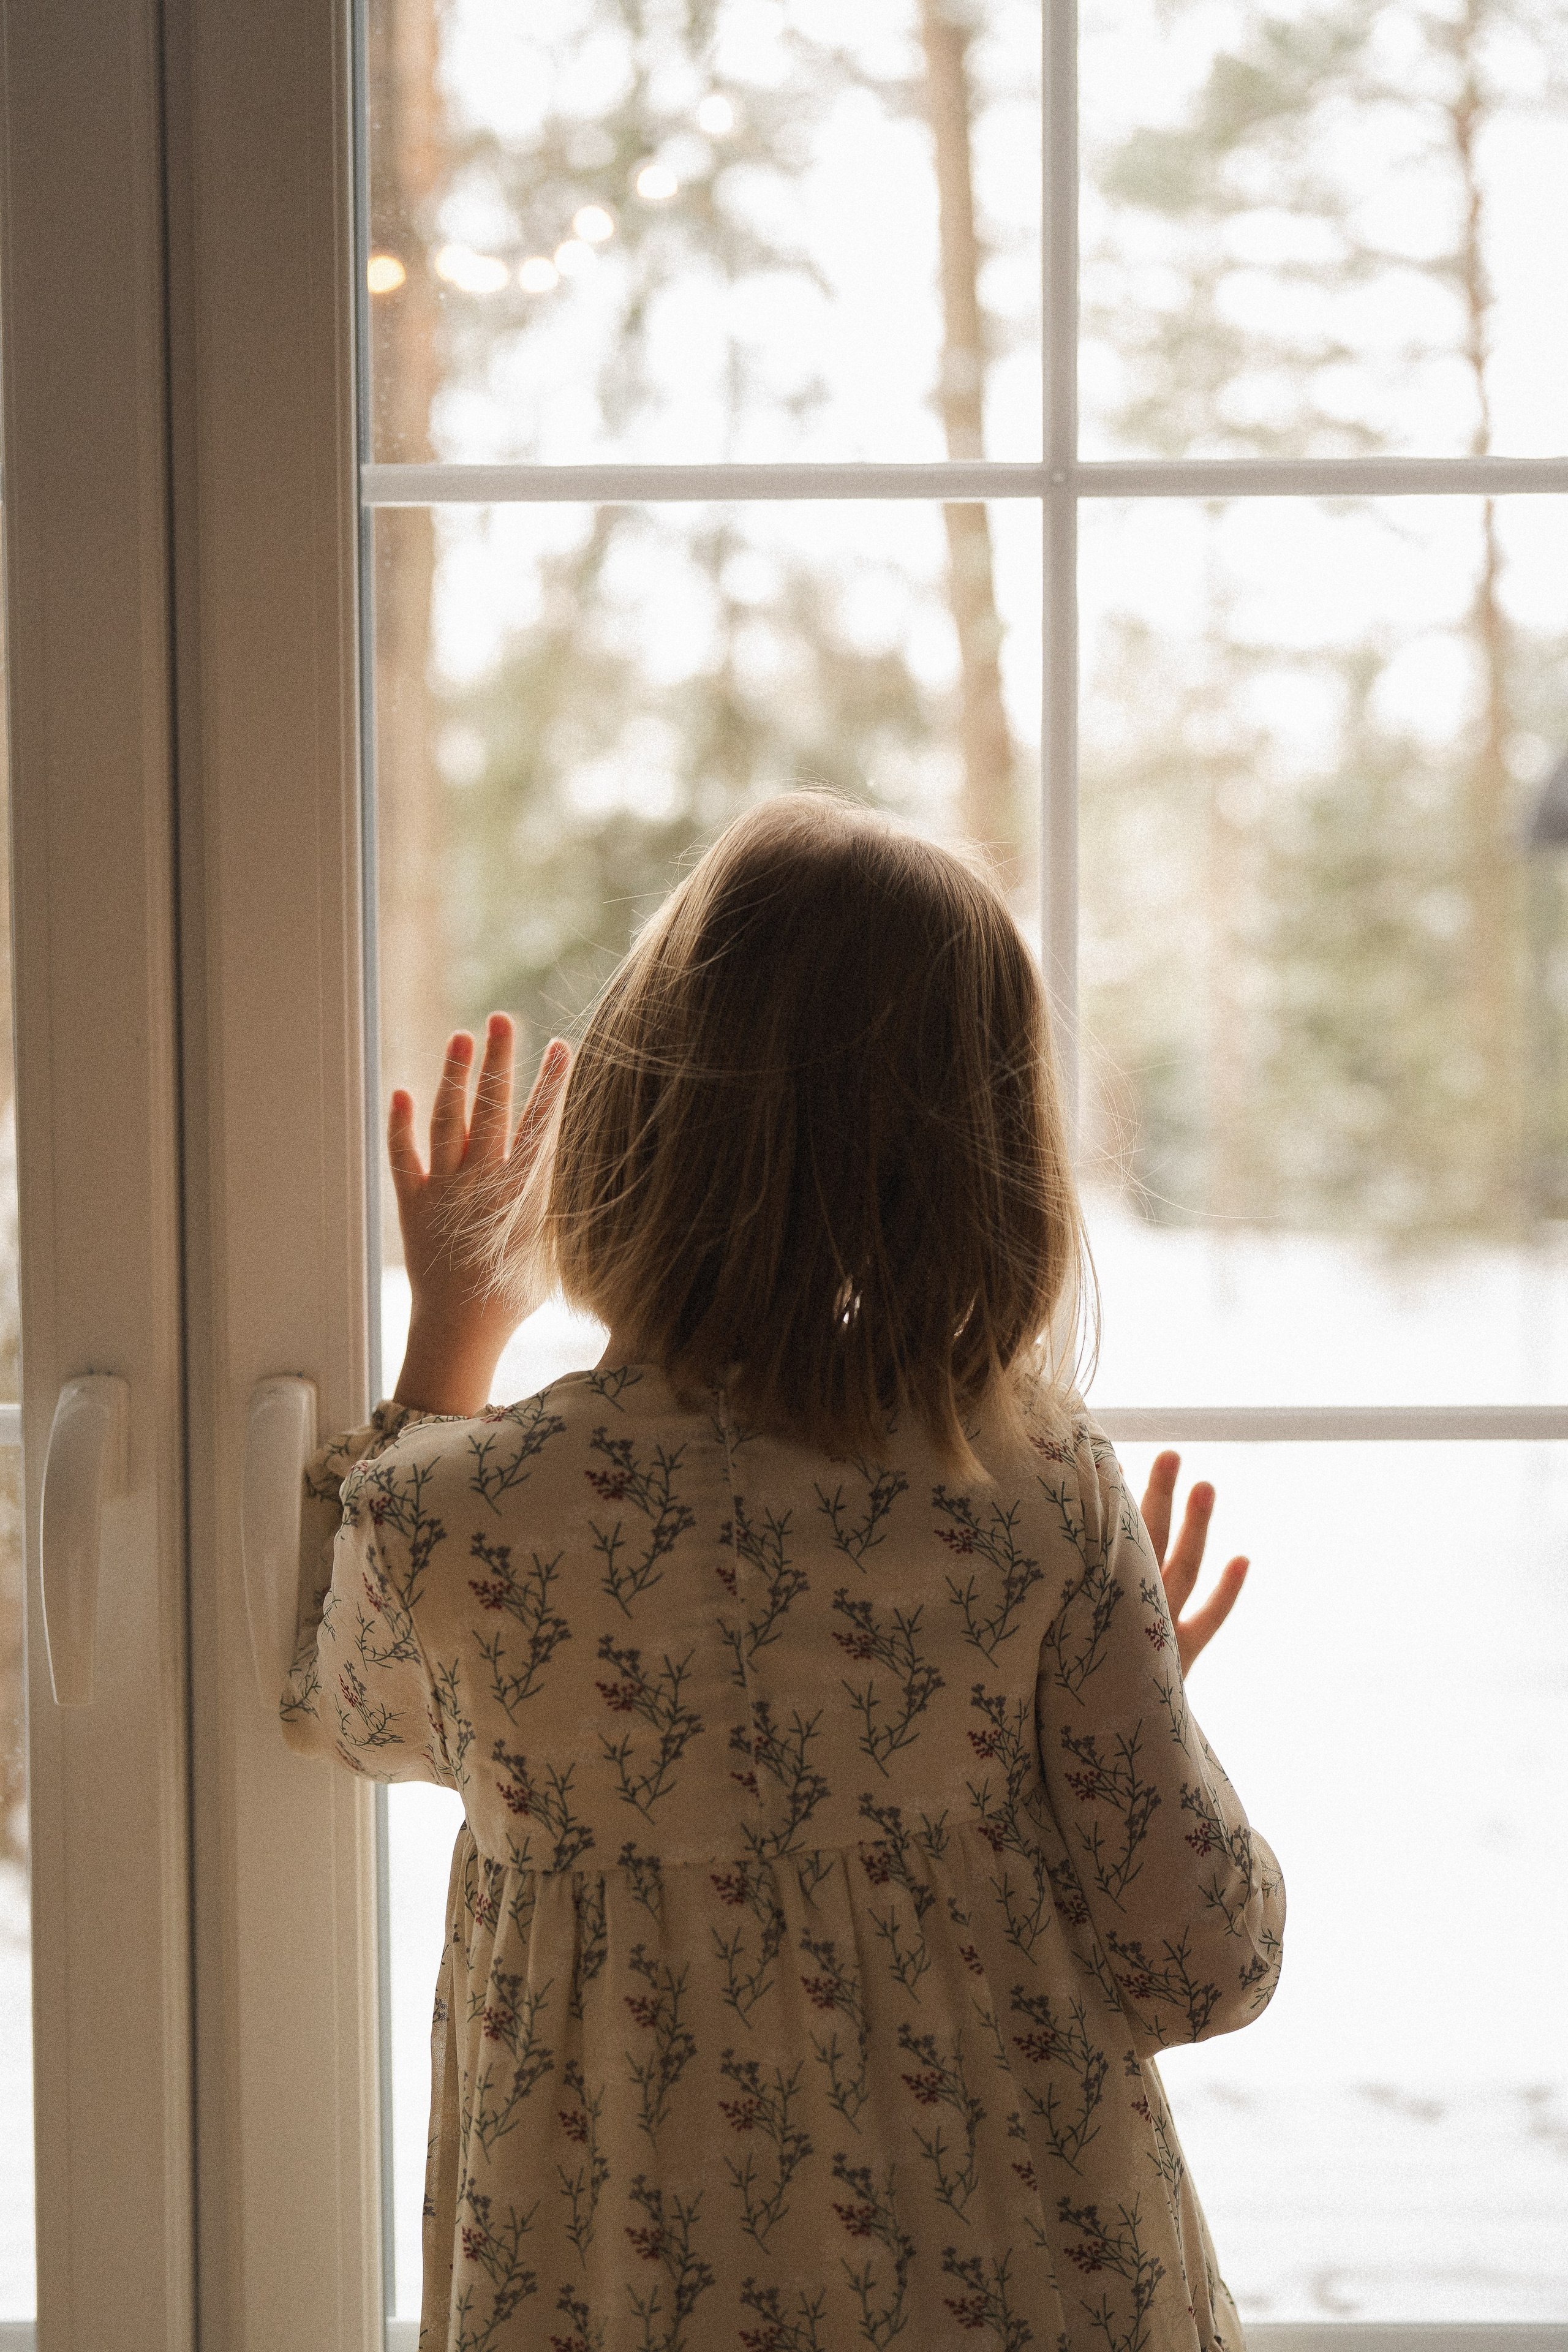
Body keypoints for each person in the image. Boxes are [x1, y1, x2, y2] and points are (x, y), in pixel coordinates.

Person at [284, 791, 1283, 2352]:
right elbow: (1197, 1961)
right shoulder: (1029, 1498)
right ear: (990, 1165)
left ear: (627, 1110)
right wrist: (1106, 1702)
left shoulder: (454, 1514)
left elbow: (355, 1714)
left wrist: (449, 1340)